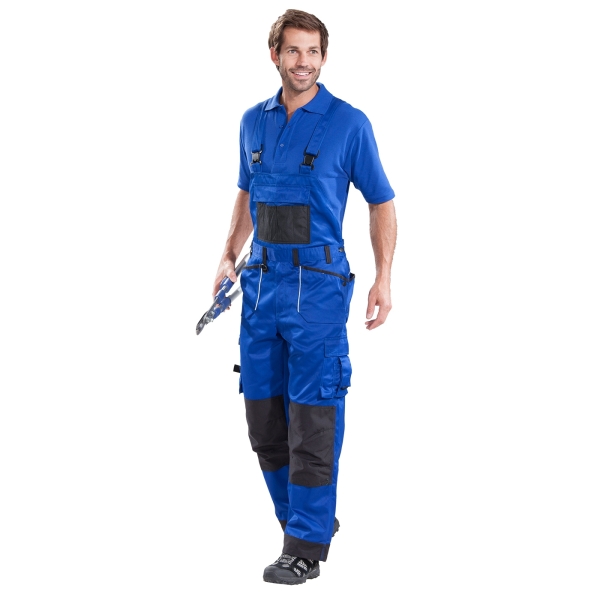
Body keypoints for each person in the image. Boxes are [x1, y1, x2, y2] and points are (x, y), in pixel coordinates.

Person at [212, 9, 397, 585]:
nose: (304, 62)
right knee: (264, 420)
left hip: (317, 290)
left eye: (313, 51)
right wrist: (226, 254)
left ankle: (304, 547)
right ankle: (306, 521)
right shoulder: (253, 122)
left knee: (312, 419)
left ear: (324, 57)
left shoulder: (349, 124)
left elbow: (382, 201)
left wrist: (384, 277)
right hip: (260, 286)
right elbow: (246, 193)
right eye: (293, 50)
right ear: (275, 55)